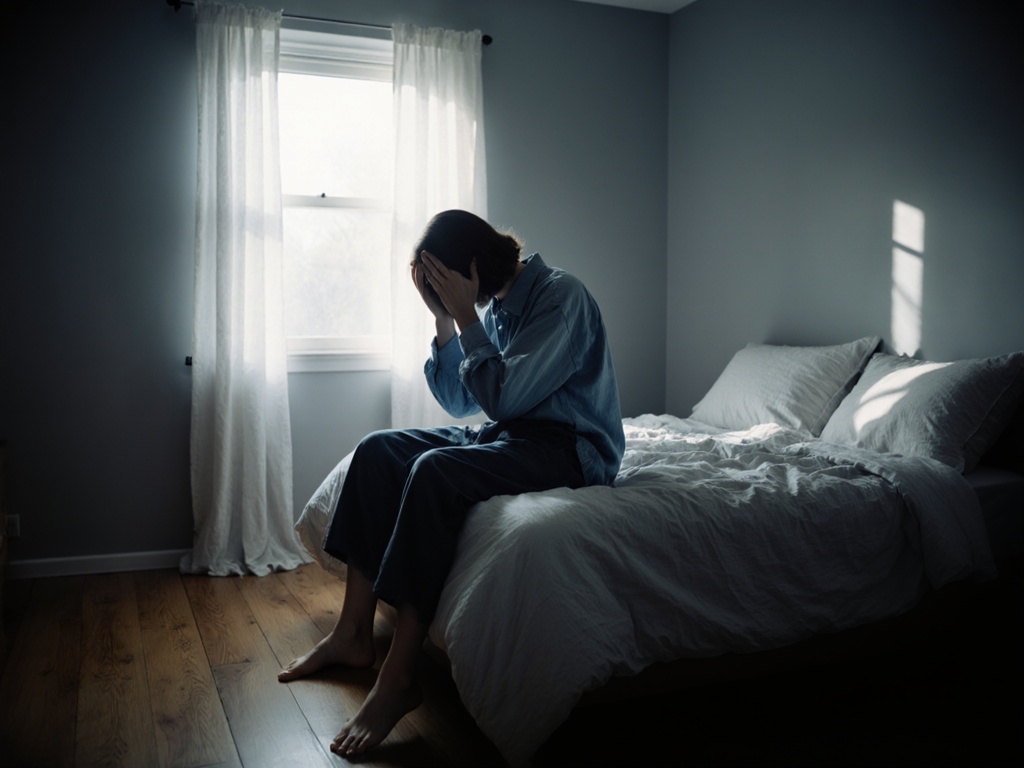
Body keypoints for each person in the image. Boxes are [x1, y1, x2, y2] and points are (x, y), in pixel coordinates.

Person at [278, 209, 625, 757]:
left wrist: (465, 316)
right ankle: (352, 634)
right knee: (377, 451)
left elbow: (505, 396)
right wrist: (445, 319)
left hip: (569, 448)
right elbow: (465, 401)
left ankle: (398, 679)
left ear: (471, 265)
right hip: (509, 435)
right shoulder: (500, 304)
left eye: (442, 279)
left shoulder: (561, 299)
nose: (441, 291)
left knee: (434, 470)